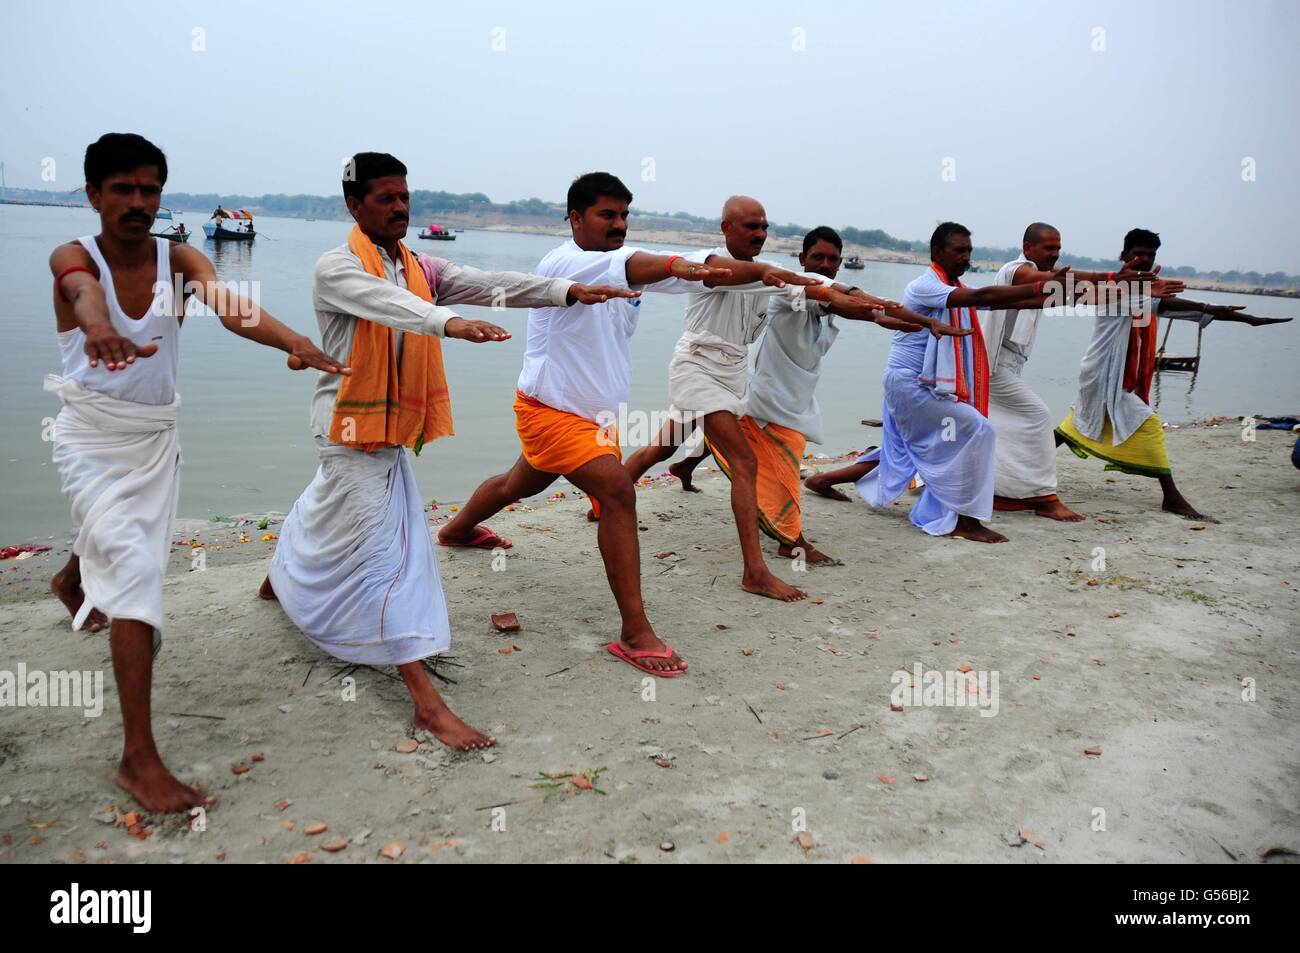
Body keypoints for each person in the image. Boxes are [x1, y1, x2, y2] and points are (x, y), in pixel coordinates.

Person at [261, 154, 635, 749]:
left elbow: (486, 282)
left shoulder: (416, 263)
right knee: (390, 556)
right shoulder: (337, 267)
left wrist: (564, 290)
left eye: (404, 197)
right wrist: (449, 324)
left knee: (324, 507)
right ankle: (426, 705)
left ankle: (276, 576)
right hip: (348, 429)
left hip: (387, 430)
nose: (400, 208)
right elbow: (392, 306)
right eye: (384, 199)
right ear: (354, 207)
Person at [48, 133, 343, 812]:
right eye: (122, 189)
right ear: (93, 194)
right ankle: (136, 757)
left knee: (119, 550)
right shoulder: (74, 255)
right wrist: (96, 328)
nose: (137, 202)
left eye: (149, 190)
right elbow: (81, 290)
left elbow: (225, 301)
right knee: (135, 575)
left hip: (154, 438)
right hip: (92, 437)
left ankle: (70, 575)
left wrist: (293, 339)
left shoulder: (179, 256)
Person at [438, 172, 785, 676]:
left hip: (590, 416)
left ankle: (457, 530)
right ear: (576, 218)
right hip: (549, 411)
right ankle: (635, 633)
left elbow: (695, 273)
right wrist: (683, 263)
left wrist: (781, 278)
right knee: (618, 490)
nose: (619, 224)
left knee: (521, 483)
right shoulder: (567, 261)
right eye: (607, 214)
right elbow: (657, 264)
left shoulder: (620, 267)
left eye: (624, 215)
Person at [806, 222, 1058, 542]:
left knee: (907, 452)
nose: (966, 257)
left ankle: (821, 481)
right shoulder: (924, 286)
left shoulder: (954, 287)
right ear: (938, 252)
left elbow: (1003, 301)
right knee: (978, 430)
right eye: (959, 251)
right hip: (909, 384)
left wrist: (1068, 291)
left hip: (918, 385)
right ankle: (965, 521)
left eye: (969, 251)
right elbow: (986, 294)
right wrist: (1048, 284)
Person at [1056, 227, 1287, 519]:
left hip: (1107, 373)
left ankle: (1024, 464)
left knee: (1072, 426)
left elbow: (1173, 309)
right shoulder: (1117, 290)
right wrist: (1230, 313)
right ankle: (1172, 498)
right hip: (1103, 373)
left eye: (1150, 255)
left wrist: (1244, 318)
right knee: (1149, 425)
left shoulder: (1139, 290)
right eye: (1138, 253)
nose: (1145, 259)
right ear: (1124, 255)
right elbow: (1170, 305)